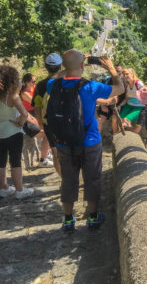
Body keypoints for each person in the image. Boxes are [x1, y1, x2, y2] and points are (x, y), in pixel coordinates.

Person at [46, 50, 123, 231]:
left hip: (63, 142)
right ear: (82, 66)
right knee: (92, 178)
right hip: (89, 140)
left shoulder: (52, 85)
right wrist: (111, 68)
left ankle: (67, 219)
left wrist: (71, 66)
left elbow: (60, 76)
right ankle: (93, 217)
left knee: (68, 179)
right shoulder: (91, 87)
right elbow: (120, 88)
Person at [0, 65, 34, 199]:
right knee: (15, 161)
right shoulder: (13, 96)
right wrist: (19, 123)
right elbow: (24, 114)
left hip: (0, 133)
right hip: (13, 133)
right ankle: (19, 190)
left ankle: (3, 188)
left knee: (1, 162)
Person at [33, 53, 63, 175]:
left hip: (49, 122)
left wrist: (40, 123)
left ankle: (63, 180)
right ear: (60, 67)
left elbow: (37, 106)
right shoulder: (66, 82)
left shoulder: (40, 85)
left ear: (46, 67)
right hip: (67, 121)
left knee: (56, 153)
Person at [20, 73, 44, 170]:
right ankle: (43, 157)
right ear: (26, 82)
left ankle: (43, 156)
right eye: (32, 81)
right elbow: (34, 102)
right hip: (29, 116)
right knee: (42, 135)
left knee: (42, 137)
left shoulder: (33, 89)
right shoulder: (24, 93)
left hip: (36, 113)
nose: (34, 83)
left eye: (35, 81)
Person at [96, 64, 123, 133]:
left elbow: (125, 96)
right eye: (114, 70)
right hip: (106, 104)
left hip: (118, 105)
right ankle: (96, 139)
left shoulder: (124, 81)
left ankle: (115, 138)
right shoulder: (107, 80)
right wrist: (103, 105)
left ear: (121, 71)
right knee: (100, 120)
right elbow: (100, 92)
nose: (116, 72)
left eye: (118, 70)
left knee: (115, 120)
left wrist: (119, 105)